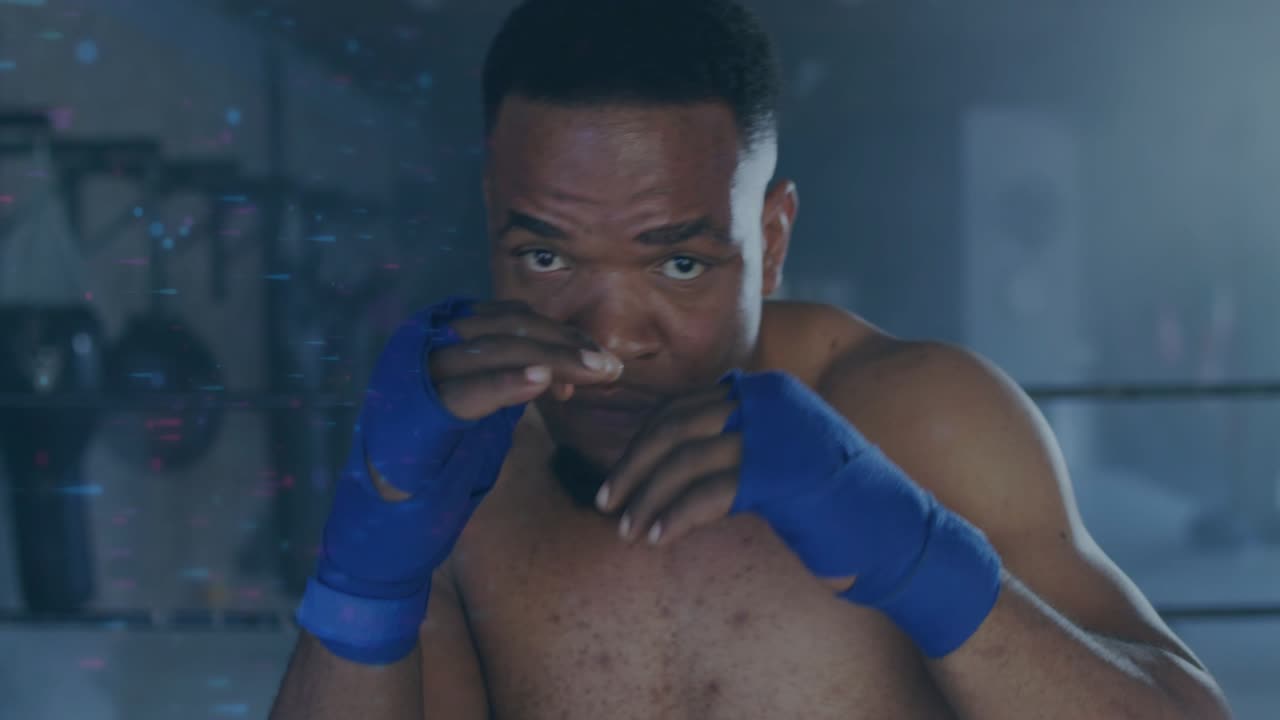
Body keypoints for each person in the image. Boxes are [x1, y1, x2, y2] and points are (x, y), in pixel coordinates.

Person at [270, 1, 1231, 717]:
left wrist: (924, 562)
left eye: (680, 263)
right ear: (493, 222)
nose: (609, 339)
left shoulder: (921, 420)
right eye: (547, 257)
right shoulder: (460, 469)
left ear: (770, 241)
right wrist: (367, 574)